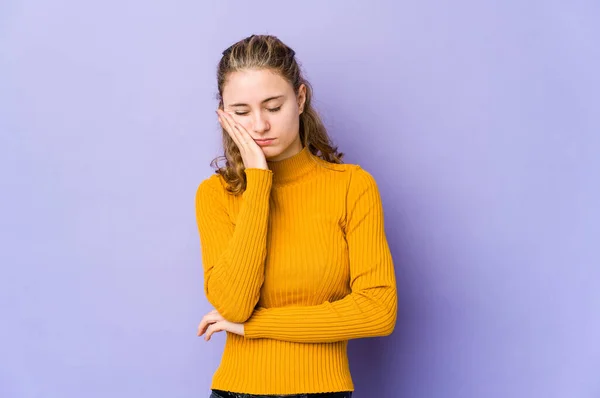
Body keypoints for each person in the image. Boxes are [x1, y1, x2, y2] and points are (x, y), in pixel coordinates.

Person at [194, 34, 397, 398]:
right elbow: (234, 304)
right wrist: (258, 181)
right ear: (224, 115)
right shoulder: (215, 195)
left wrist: (256, 325)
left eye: (273, 107)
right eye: (241, 113)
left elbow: (377, 311)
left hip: (323, 391)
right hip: (235, 392)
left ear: (300, 99)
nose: (258, 126)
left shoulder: (352, 187)